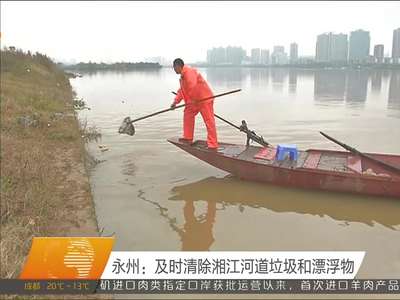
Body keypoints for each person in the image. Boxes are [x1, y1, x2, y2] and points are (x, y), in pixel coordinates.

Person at [171, 58, 218, 149]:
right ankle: (188, 137)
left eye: (174, 67)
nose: (174, 70)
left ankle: (213, 144)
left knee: (209, 121)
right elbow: (181, 91)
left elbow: (192, 86)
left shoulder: (189, 72)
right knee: (188, 114)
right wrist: (175, 102)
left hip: (204, 99)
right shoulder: (182, 77)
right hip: (195, 101)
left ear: (178, 66)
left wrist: (191, 100)